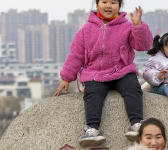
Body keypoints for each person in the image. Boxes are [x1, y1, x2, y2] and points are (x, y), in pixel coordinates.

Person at [54, 0, 153, 148]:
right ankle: (92, 130)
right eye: (104, 1)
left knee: (132, 88)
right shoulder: (86, 30)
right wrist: (66, 78)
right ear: (97, 4)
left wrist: (138, 26)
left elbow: (143, 45)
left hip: (122, 71)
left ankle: (137, 124)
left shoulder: (127, 26)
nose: (108, 6)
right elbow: (76, 55)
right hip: (95, 73)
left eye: (113, 2)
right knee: (93, 94)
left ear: (119, 6)